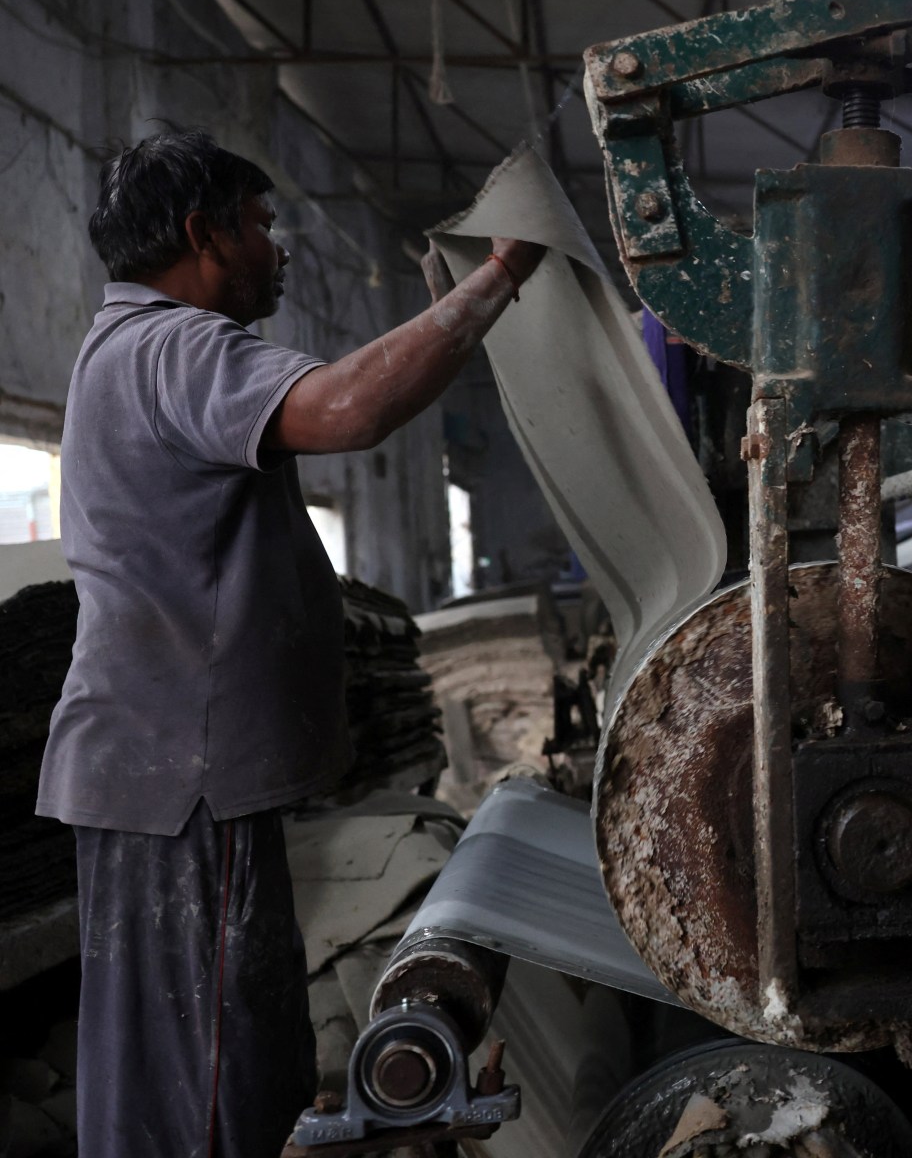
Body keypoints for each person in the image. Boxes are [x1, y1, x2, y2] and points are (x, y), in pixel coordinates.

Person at [34, 127, 542, 1157]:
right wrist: (499, 280)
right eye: (261, 225)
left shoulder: (126, 348)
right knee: (215, 1085)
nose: (278, 248)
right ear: (202, 234)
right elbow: (349, 410)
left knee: (169, 1074)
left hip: (158, 770)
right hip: (185, 777)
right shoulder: (176, 345)